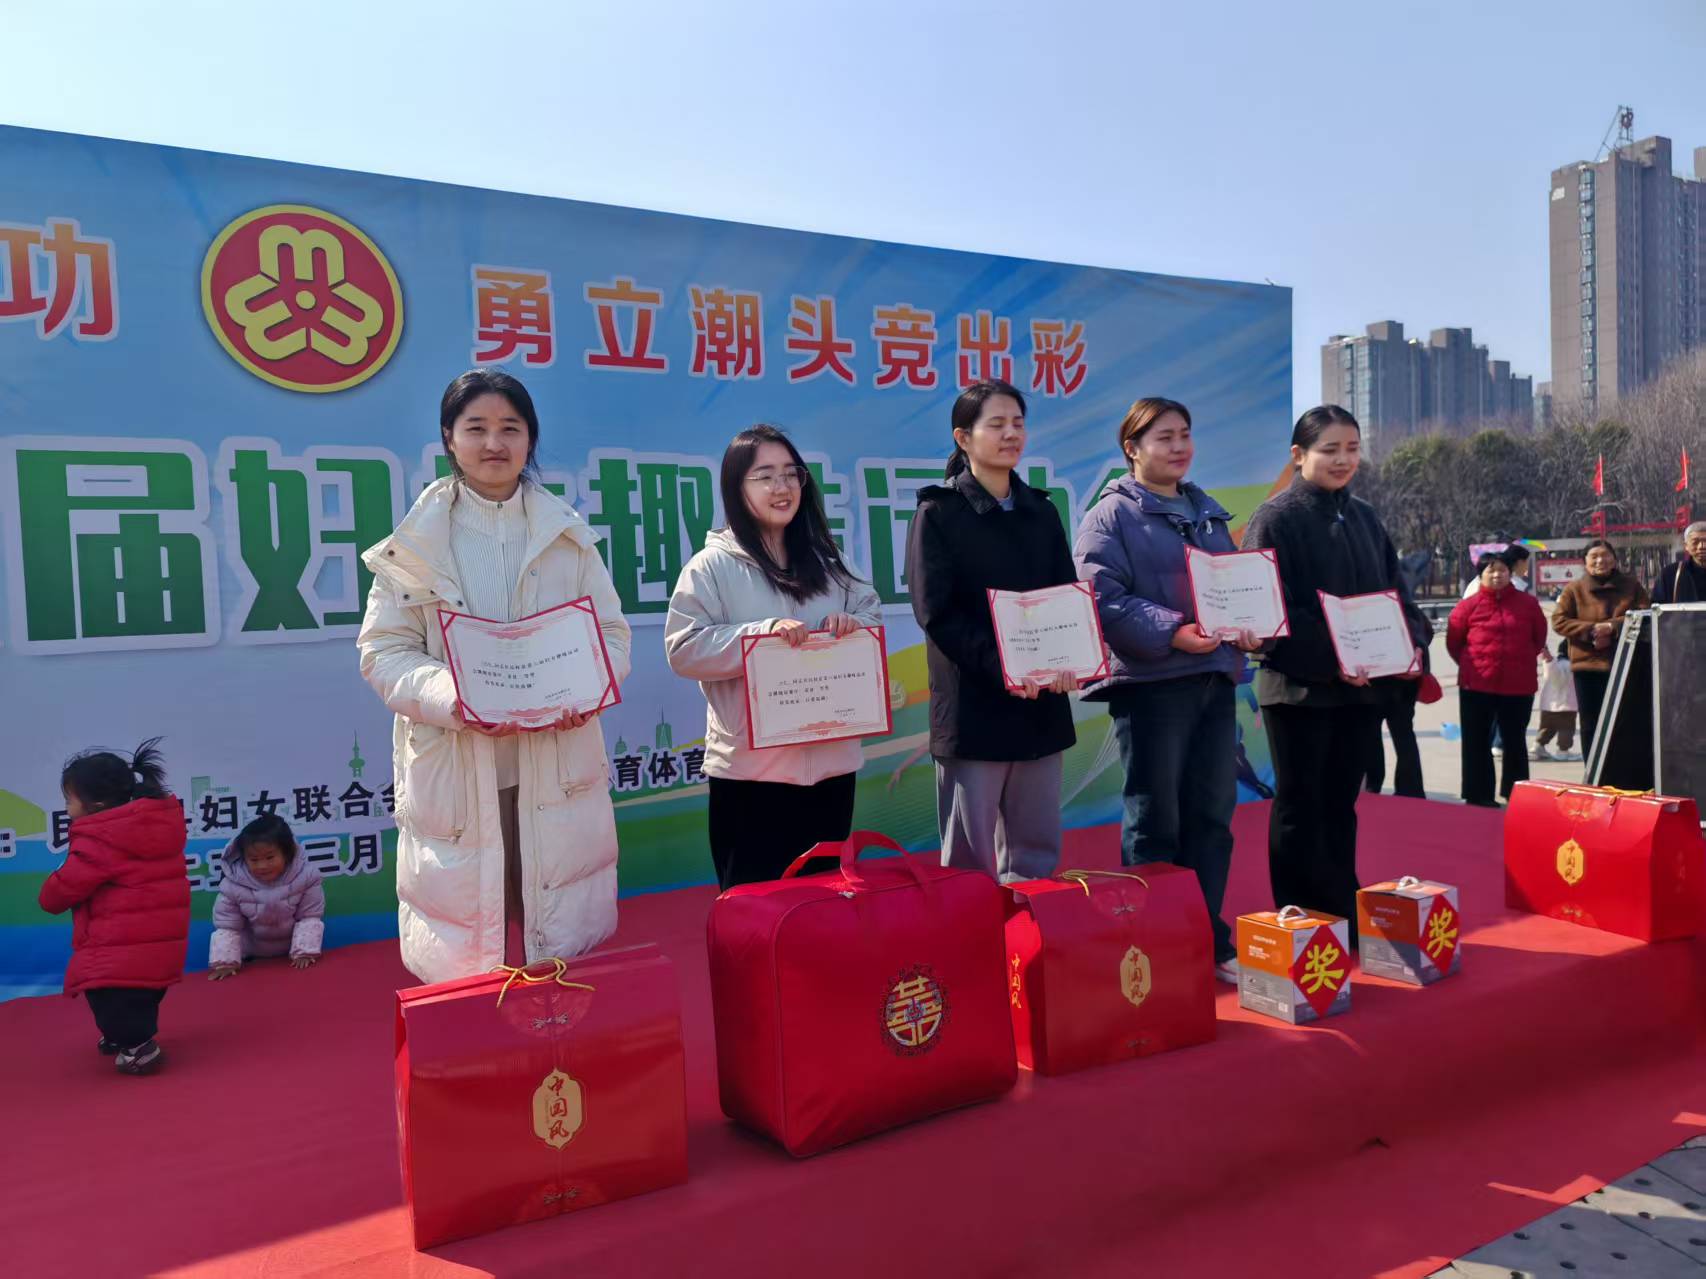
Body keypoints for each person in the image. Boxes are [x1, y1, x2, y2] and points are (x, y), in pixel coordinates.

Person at [358, 369, 632, 984]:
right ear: (448, 438)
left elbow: (611, 637)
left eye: (510, 428)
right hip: (458, 768)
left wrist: (585, 690)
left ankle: (555, 1039)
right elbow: (384, 651)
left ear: (530, 439)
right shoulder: (414, 546)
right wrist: (457, 698)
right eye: (476, 427)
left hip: (554, 758)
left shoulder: (568, 538)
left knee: (556, 949)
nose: (493, 443)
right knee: (471, 956)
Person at [1073, 397, 1261, 983]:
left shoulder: (1207, 514)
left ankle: (1205, 938)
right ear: (1132, 448)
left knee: (1212, 815)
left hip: (1213, 681)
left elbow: (1235, 589)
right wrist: (1173, 632)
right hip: (1152, 686)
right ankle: (1149, 948)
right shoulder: (1110, 516)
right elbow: (1101, 597)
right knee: (1156, 822)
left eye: (1185, 434)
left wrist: (1251, 625)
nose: (1179, 447)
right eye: (1164, 437)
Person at [1240, 406, 1430, 939]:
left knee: (1342, 804)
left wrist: (1411, 645)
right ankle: (1300, 917)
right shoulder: (1274, 518)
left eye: (1352, 448)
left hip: (1362, 690)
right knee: (1300, 805)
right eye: (1330, 450)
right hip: (1299, 690)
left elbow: (1397, 594)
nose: (1343, 460)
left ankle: (1342, 904)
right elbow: (1268, 612)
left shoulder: (1364, 516)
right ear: (1299, 455)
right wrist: (1335, 657)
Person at [665, 426, 881, 889]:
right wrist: (759, 637)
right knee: (756, 912)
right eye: (765, 476)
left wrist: (853, 627)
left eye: (790, 474)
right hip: (751, 777)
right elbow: (683, 650)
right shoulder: (711, 567)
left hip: (831, 769)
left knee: (824, 908)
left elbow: (871, 616)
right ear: (736, 488)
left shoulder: (830, 561)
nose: (782, 487)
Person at [906, 379, 1079, 883]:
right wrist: (1006, 666)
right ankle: (971, 937)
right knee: (970, 865)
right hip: (974, 710)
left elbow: (1064, 599)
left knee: (1035, 857)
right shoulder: (938, 513)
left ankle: (1029, 936)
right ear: (963, 438)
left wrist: (1069, 659)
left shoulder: (1041, 511)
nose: (1011, 434)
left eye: (1018, 424)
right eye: (997, 424)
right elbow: (937, 614)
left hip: (1041, 705)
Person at [37, 739, 189, 1076]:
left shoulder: (101, 840)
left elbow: (61, 890)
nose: (66, 807)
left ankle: (138, 1048)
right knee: (139, 994)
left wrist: (49, 892)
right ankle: (124, 1035)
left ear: (97, 804)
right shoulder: (156, 825)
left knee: (105, 993)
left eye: (69, 800)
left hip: (119, 947)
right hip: (158, 944)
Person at [1447, 553, 1550, 807]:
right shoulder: (1467, 606)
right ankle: (1478, 793)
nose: (1497, 575)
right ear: (1481, 575)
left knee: (1515, 740)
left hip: (1518, 684)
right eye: (1491, 571)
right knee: (1476, 740)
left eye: (1502, 570)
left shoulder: (1528, 604)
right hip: (1477, 684)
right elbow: (1454, 642)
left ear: (1510, 573)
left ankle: (1515, 793)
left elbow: (1538, 638)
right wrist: (1472, 665)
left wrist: (1520, 659)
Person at [1551, 538, 1649, 756]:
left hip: (1625, 665)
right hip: (1588, 667)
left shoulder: (1632, 586)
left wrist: (1612, 627)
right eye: (1594, 556)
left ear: (1614, 559)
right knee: (1591, 724)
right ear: (1585, 561)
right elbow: (1559, 621)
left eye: (1605, 555)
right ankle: (1593, 770)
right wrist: (1592, 630)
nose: (1600, 561)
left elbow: (1645, 615)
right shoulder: (1574, 589)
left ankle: (1624, 771)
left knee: (1626, 722)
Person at [207, 815, 325, 978]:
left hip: (292, 956)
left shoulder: (307, 877)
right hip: (251, 958)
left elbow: (309, 916)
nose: (262, 866)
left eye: (270, 857)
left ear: (287, 853)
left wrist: (305, 952)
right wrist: (225, 963)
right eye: (254, 859)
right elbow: (227, 925)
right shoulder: (232, 885)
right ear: (243, 857)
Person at [1533, 641, 1579, 761]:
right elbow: (1557, 678)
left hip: (1548, 705)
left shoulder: (1557, 663)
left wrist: (1548, 660)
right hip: (1566, 706)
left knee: (1546, 728)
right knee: (1566, 730)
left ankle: (1539, 745)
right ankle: (1563, 751)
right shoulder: (1568, 665)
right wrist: (1549, 660)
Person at [1652, 521, 1706, 604]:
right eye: (1695, 542)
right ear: (1686, 546)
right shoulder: (1670, 574)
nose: (1702, 546)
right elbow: (1657, 607)